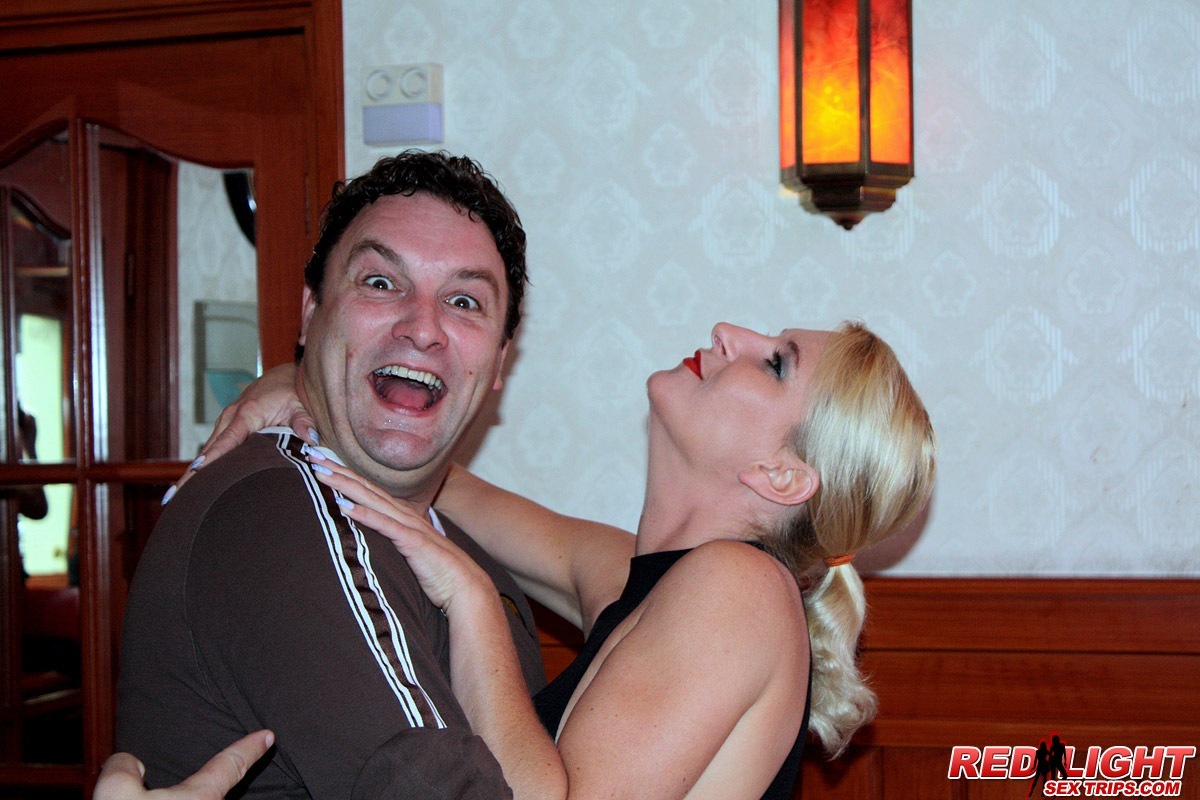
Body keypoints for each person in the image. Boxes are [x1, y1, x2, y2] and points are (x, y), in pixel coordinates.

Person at [107, 315, 936, 799]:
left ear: (782, 475)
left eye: (776, 361)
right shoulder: (650, 580)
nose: (729, 332)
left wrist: (471, 600)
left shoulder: (739, 590)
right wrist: (306, 382)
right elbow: (436, 479)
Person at [115, 150, 555, 798]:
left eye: (464, 301)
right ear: (309, 313)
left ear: (498, 362)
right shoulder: (282, 522)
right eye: (380, 283)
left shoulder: (456, 546)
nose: (423, 328)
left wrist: (478, 600)